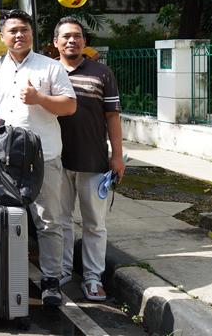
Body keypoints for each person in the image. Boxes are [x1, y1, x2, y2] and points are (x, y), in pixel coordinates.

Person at [0, 9, 76, 307]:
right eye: (12, 31)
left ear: (32, 34)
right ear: (2, 37)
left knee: (49, 221)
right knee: (7, 221)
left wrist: (40, 99)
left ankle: (51, 281)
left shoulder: (50, 68)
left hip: (44, 158)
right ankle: (9, 277)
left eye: (24, 29)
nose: (18, 35)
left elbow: (70, 106)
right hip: (5, 161)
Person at [54, 17, 125, 302]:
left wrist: (117, 155)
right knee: (60, 221)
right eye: (66, 36)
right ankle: (62, 270)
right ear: (56, 42)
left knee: (95, 223)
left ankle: (93, 277)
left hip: (94, 161)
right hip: (55, 161)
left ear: (85, 42)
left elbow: (112, 117)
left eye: (78, 36)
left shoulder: (102, 73)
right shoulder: (48, 72)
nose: (72, 40)